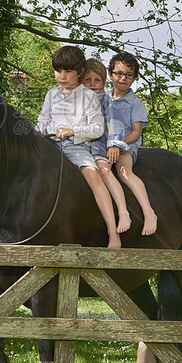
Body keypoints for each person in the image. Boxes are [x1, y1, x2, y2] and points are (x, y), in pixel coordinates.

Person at [36, 46, 123, 248]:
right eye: (58, 71)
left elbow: (97, 128)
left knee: (93, 175)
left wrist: (72, 130)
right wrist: (41, 131)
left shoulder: (88, 96)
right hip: (49, 143)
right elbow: (42, 121)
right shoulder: (51, 94)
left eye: (68, 71)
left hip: (75, 146)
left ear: (80, 72)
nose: (62, 76)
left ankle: (113, 233)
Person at [106, 52, 157, 236]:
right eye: (119, 73)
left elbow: (135, 132)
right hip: (101, 146)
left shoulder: (135, 103)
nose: (123, 78)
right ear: (110, 74)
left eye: (128, 75)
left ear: (134, 78)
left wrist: (117, 144)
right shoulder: (102, 98)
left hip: (125, 147)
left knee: (124, 172)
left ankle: (148, 212)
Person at [81, 58, 132, 235]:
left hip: (98, 146)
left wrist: (114, 145)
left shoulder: (105, 101)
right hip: (80, 147)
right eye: (88, 80)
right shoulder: (77, 100)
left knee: (104, 171)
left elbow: (116, 123)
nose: (92, 84)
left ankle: (123, 212)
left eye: (97, 80)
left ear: (104, 82)